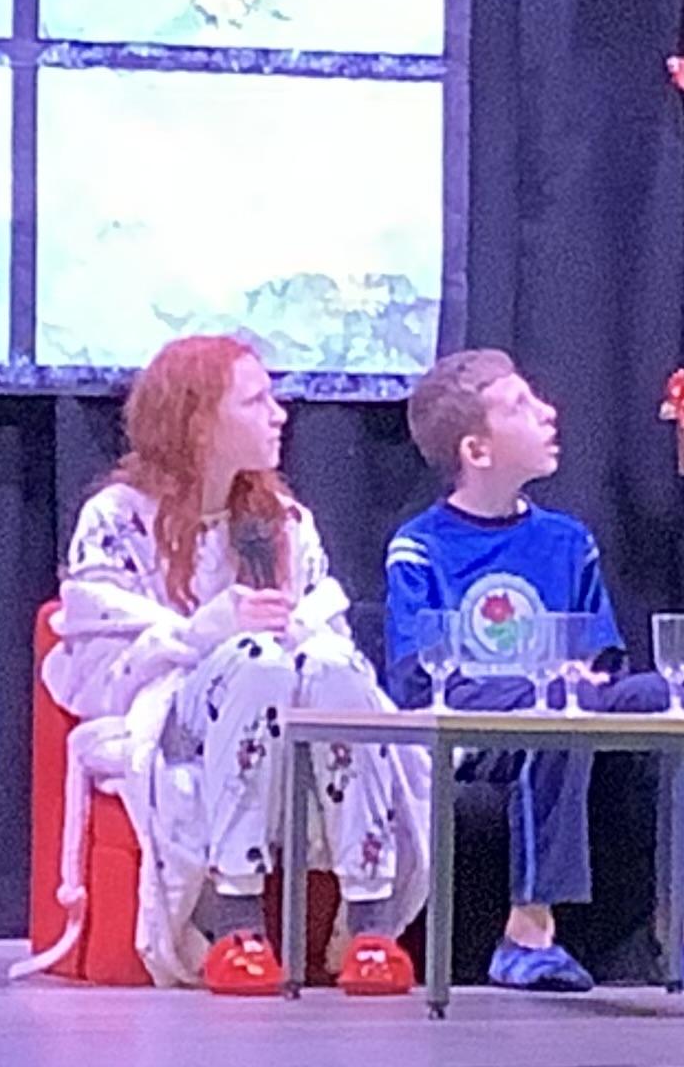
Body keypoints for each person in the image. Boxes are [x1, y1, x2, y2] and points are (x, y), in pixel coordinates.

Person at [43, 334, 429, 994]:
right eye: (256, 402)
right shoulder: (116, 517)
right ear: (197, 421)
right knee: (253, 661)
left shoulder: (281, 519)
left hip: (290, 702)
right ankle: (237, 923)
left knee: (334, 665)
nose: (279, 415)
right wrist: (205, 633)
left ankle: (370, 927)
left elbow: (321, 618)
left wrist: (297, 633)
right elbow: (101, 657)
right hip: (173, 709)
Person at [381, 348, 684, 992]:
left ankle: (674, 928)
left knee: (662, 698)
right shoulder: (421, 546)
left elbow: (601, 657)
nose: (548, 413)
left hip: (567, 716)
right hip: (475, 737)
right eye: (520, 406)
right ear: (476, 450)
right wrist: (541, 688)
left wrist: (582, 681)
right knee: (555, 702)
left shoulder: (568, 540)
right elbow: (417, 682)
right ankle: (527, 928)